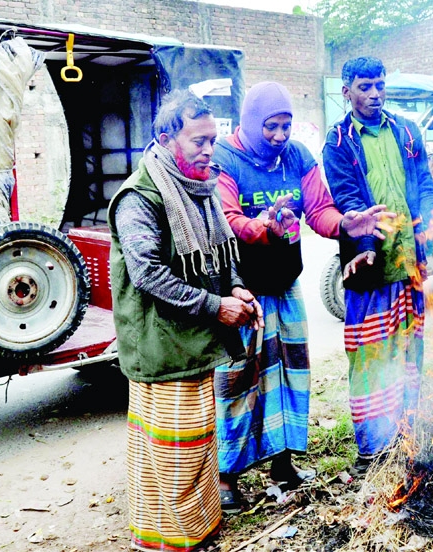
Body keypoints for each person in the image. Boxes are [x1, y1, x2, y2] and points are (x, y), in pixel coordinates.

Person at [212, 81, 393, 509]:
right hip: (241, 289)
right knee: (240, 379)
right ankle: (226, 475)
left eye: (285, 126)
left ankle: (282, 461)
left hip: (285, 284)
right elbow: (227, 217)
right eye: (271, 127)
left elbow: (319, 209)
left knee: (291, 372)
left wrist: (346, 224)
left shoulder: (297, 156)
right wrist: (264, 228)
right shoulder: (225, 158)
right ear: (253, 123)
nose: (279, 136)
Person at [109, 90, 263, 552]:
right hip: (160, 344)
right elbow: (148, 273)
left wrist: (234, 286)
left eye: (213, 140)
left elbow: (221, 252)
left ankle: (196, 530)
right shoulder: (141, 196)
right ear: (165, 137)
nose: (208, 150)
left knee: (196, 442)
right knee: (172, 451)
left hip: (193, 340)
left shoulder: (200, 187)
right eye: (198, 140)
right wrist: (216, 307)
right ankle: (168, 540)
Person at [321, 57, 433, 472]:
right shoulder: (337, 142)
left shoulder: (407, 131)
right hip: (369, 268)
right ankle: (372, 450)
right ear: (347, 92)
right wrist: (364, 240)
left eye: (379, 84)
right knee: (371, 360)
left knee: (410, 355)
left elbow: (424, 184)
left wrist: (432, 220)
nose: (374, 94)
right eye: (364, 87)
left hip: (408, 266)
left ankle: (407, 434)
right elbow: (347, 200)